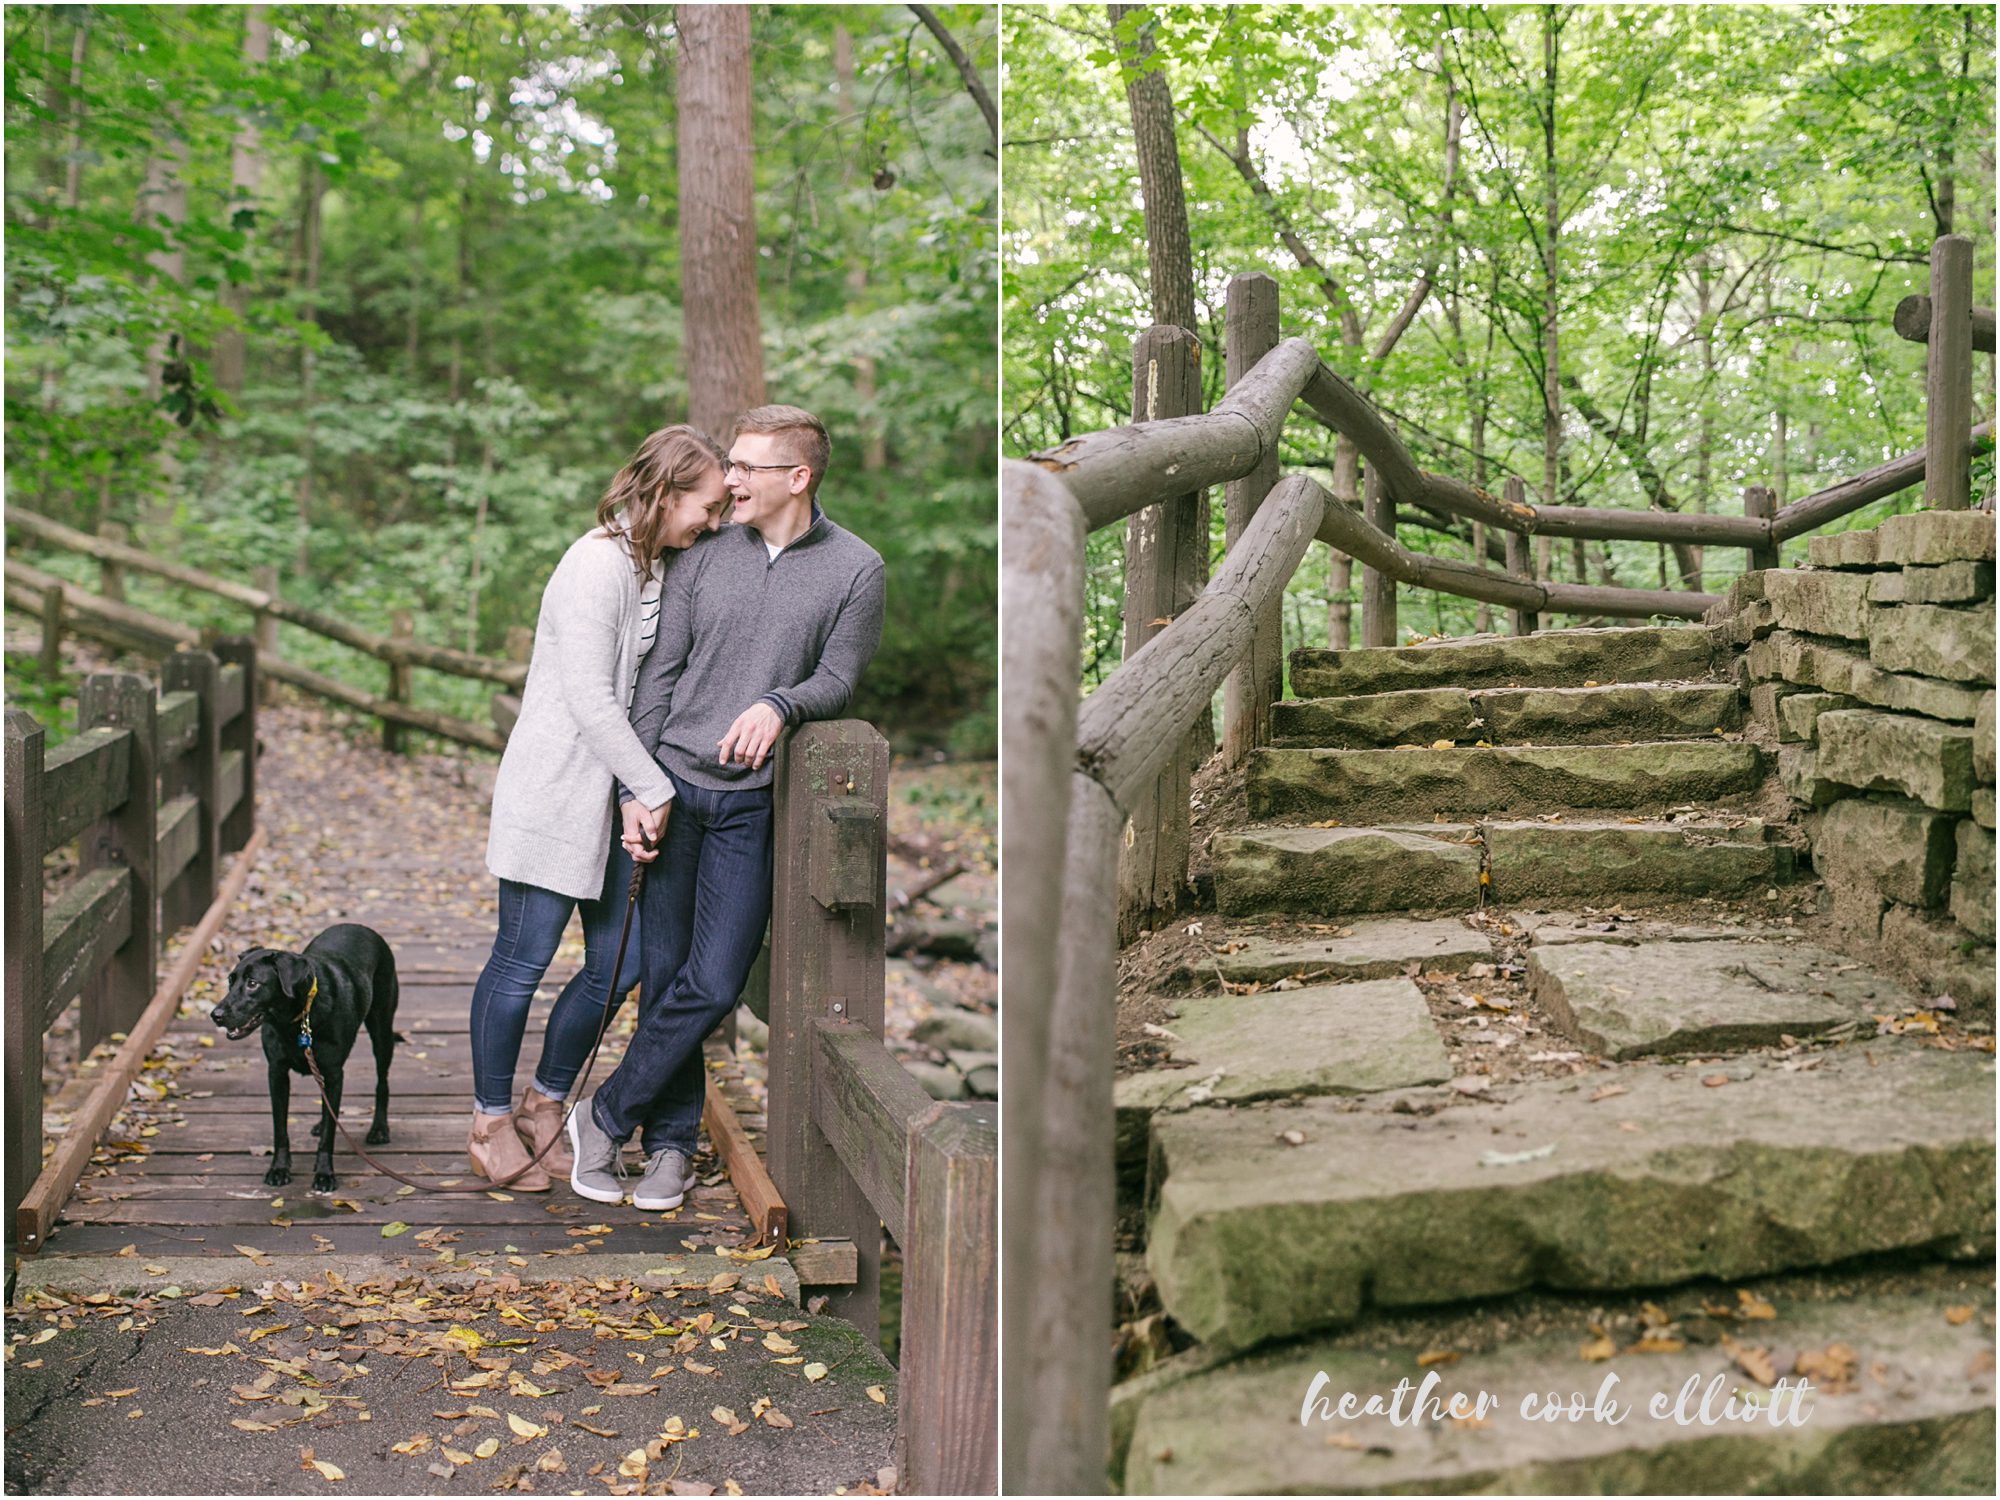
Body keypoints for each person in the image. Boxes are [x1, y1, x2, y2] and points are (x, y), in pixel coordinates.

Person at [566, 404, 886, 1211]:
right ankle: (670, 1147)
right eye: (731, 467)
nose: (730, 479)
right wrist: (638, 788)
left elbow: (839, 678)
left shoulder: (855, 568)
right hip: (674, 788)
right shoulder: (707, 555)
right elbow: (659, 677)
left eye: (747, 467)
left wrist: (781, 704)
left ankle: (603, 1114)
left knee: (712, 982)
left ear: (797, 478)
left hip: (749, 808)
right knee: (667, 975)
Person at [466, 425, 729, 1190]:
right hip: (554, 790)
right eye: (705, 507)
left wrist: (633, 790)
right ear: (665, 491)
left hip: (612, 797)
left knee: (629, 961)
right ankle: (487, 1123)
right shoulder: (594, 566)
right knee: (523, 960)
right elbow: (588, 695)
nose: (711, 523)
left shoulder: (651, 567)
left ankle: (545, 1099)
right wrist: (655, 788)